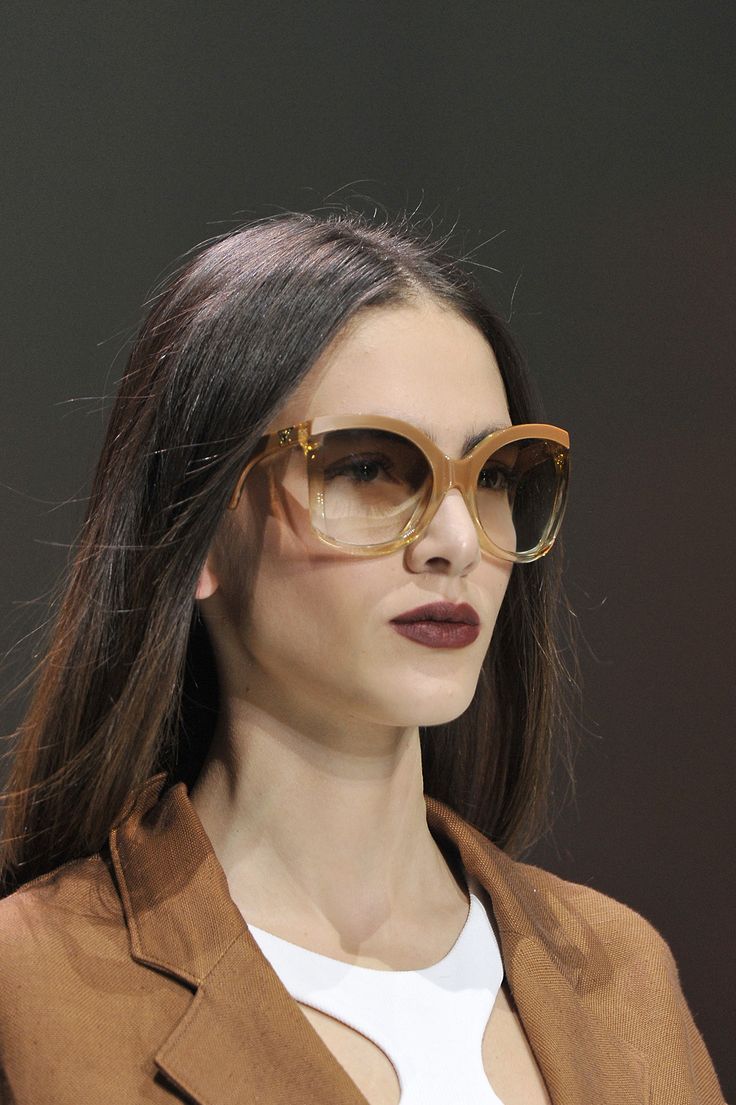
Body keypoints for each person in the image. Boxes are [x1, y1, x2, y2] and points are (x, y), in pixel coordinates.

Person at [0, 210, 725, 1105]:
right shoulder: (37, 989)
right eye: (369, 468)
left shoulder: (620, 973)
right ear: (201, 536)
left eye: (495, 475)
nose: (457, 541)